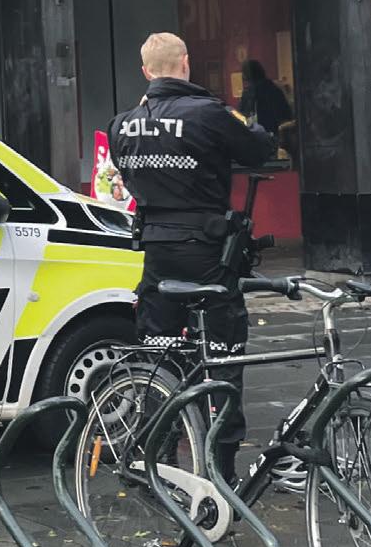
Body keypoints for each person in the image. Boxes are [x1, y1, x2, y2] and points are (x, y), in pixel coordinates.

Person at [108, 32, 277, 483]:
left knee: (159, 358)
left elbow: (124, 171)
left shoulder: (123, 123)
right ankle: (223, 472)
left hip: (156, 251)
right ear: (185, 63)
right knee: (224, 358)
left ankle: (158, 462)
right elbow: (259, 147)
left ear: (145, 71)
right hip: (207, 250)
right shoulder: (209, 113)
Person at [238, 59, 293, 135]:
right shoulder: (274, 89)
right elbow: (285, 117)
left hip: (258, 136)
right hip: (273, 135)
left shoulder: (249, 93)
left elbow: (242, 118)